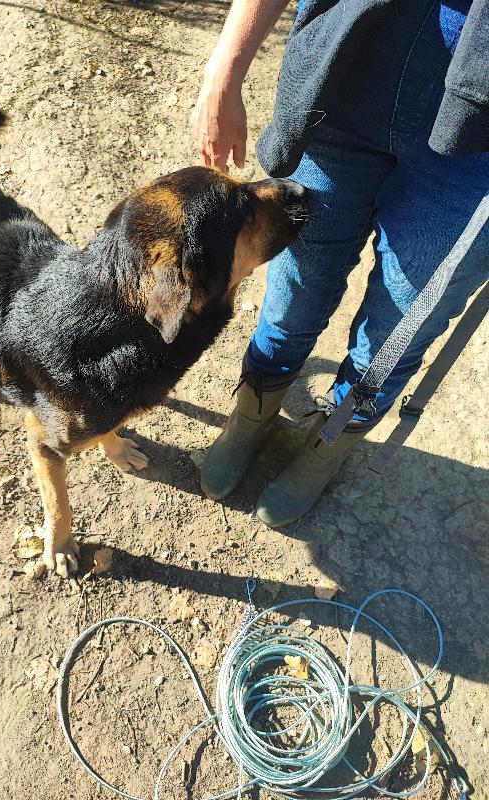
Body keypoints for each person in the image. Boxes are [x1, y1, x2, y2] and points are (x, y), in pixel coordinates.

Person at [191, 0, 489, 527]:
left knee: (397, 331)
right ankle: (252, 416)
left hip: (477, 153)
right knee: (294, 288)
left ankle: (327, 444)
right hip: (345, 77)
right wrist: (223, 71)